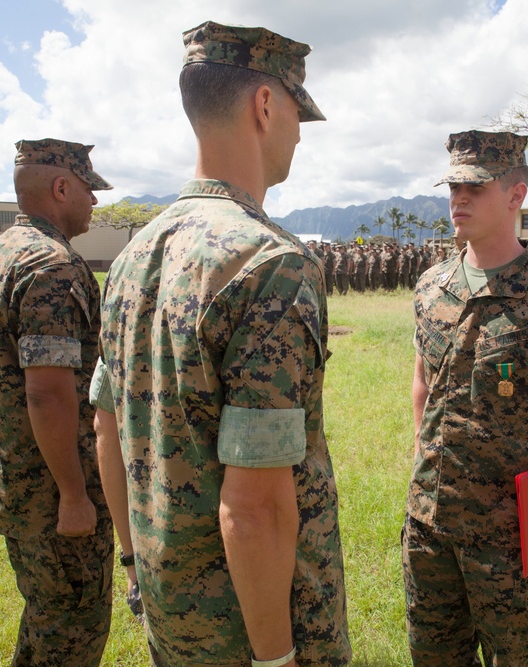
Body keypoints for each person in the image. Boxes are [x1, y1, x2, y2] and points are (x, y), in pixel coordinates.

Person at [94, 21, 350, 666]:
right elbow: (255, 503)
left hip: (169, 606)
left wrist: (131, 562)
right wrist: (276, 657)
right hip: (251, 625)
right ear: (266, 105)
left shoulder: (134, 256)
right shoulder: (268, 264)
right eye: (297, 112)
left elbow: (106, 427)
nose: (297, 133)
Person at [404, 130, 528, 666]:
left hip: (511, 534)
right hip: (430, 527)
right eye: (453, 186)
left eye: (475, 187)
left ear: (516, 195)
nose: (458, 199)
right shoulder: (431, 287)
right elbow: (424, 385)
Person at [0, 139, 114, 666]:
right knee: (72, 631)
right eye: (89, 190)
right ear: (61, 187)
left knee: (48, 616)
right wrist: (74, 495)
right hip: (51, 489)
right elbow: (48, 391)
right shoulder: (51, 265)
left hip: (11, 477)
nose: (95, 202)